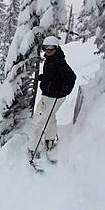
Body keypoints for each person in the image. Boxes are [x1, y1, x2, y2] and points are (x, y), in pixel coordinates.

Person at [30, 35, 76, 163]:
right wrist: (44, 78)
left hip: (53, 97)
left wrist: (62, 91)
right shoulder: (52, 59)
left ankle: (35, 150)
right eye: (46, 48)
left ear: (56, 48)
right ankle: (49, 141)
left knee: (38, 121)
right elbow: (55, 76)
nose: (48, 51)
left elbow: (72, 77)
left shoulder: (58, 62)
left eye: (51, 49)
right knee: (50, 118)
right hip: (52, 96)